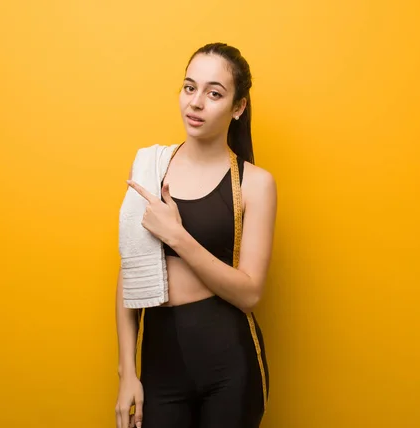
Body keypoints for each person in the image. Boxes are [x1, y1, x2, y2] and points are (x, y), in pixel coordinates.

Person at [115, 42, 277, 428]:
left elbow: (249, 293)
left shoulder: (256, 184)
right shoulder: (151, 167)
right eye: (190, 88)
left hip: (230, 368)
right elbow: (129, 275)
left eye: (214, 93)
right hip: (159, 362)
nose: (197, 102)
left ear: (238, 108)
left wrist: (177, 235)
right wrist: (127, 374)